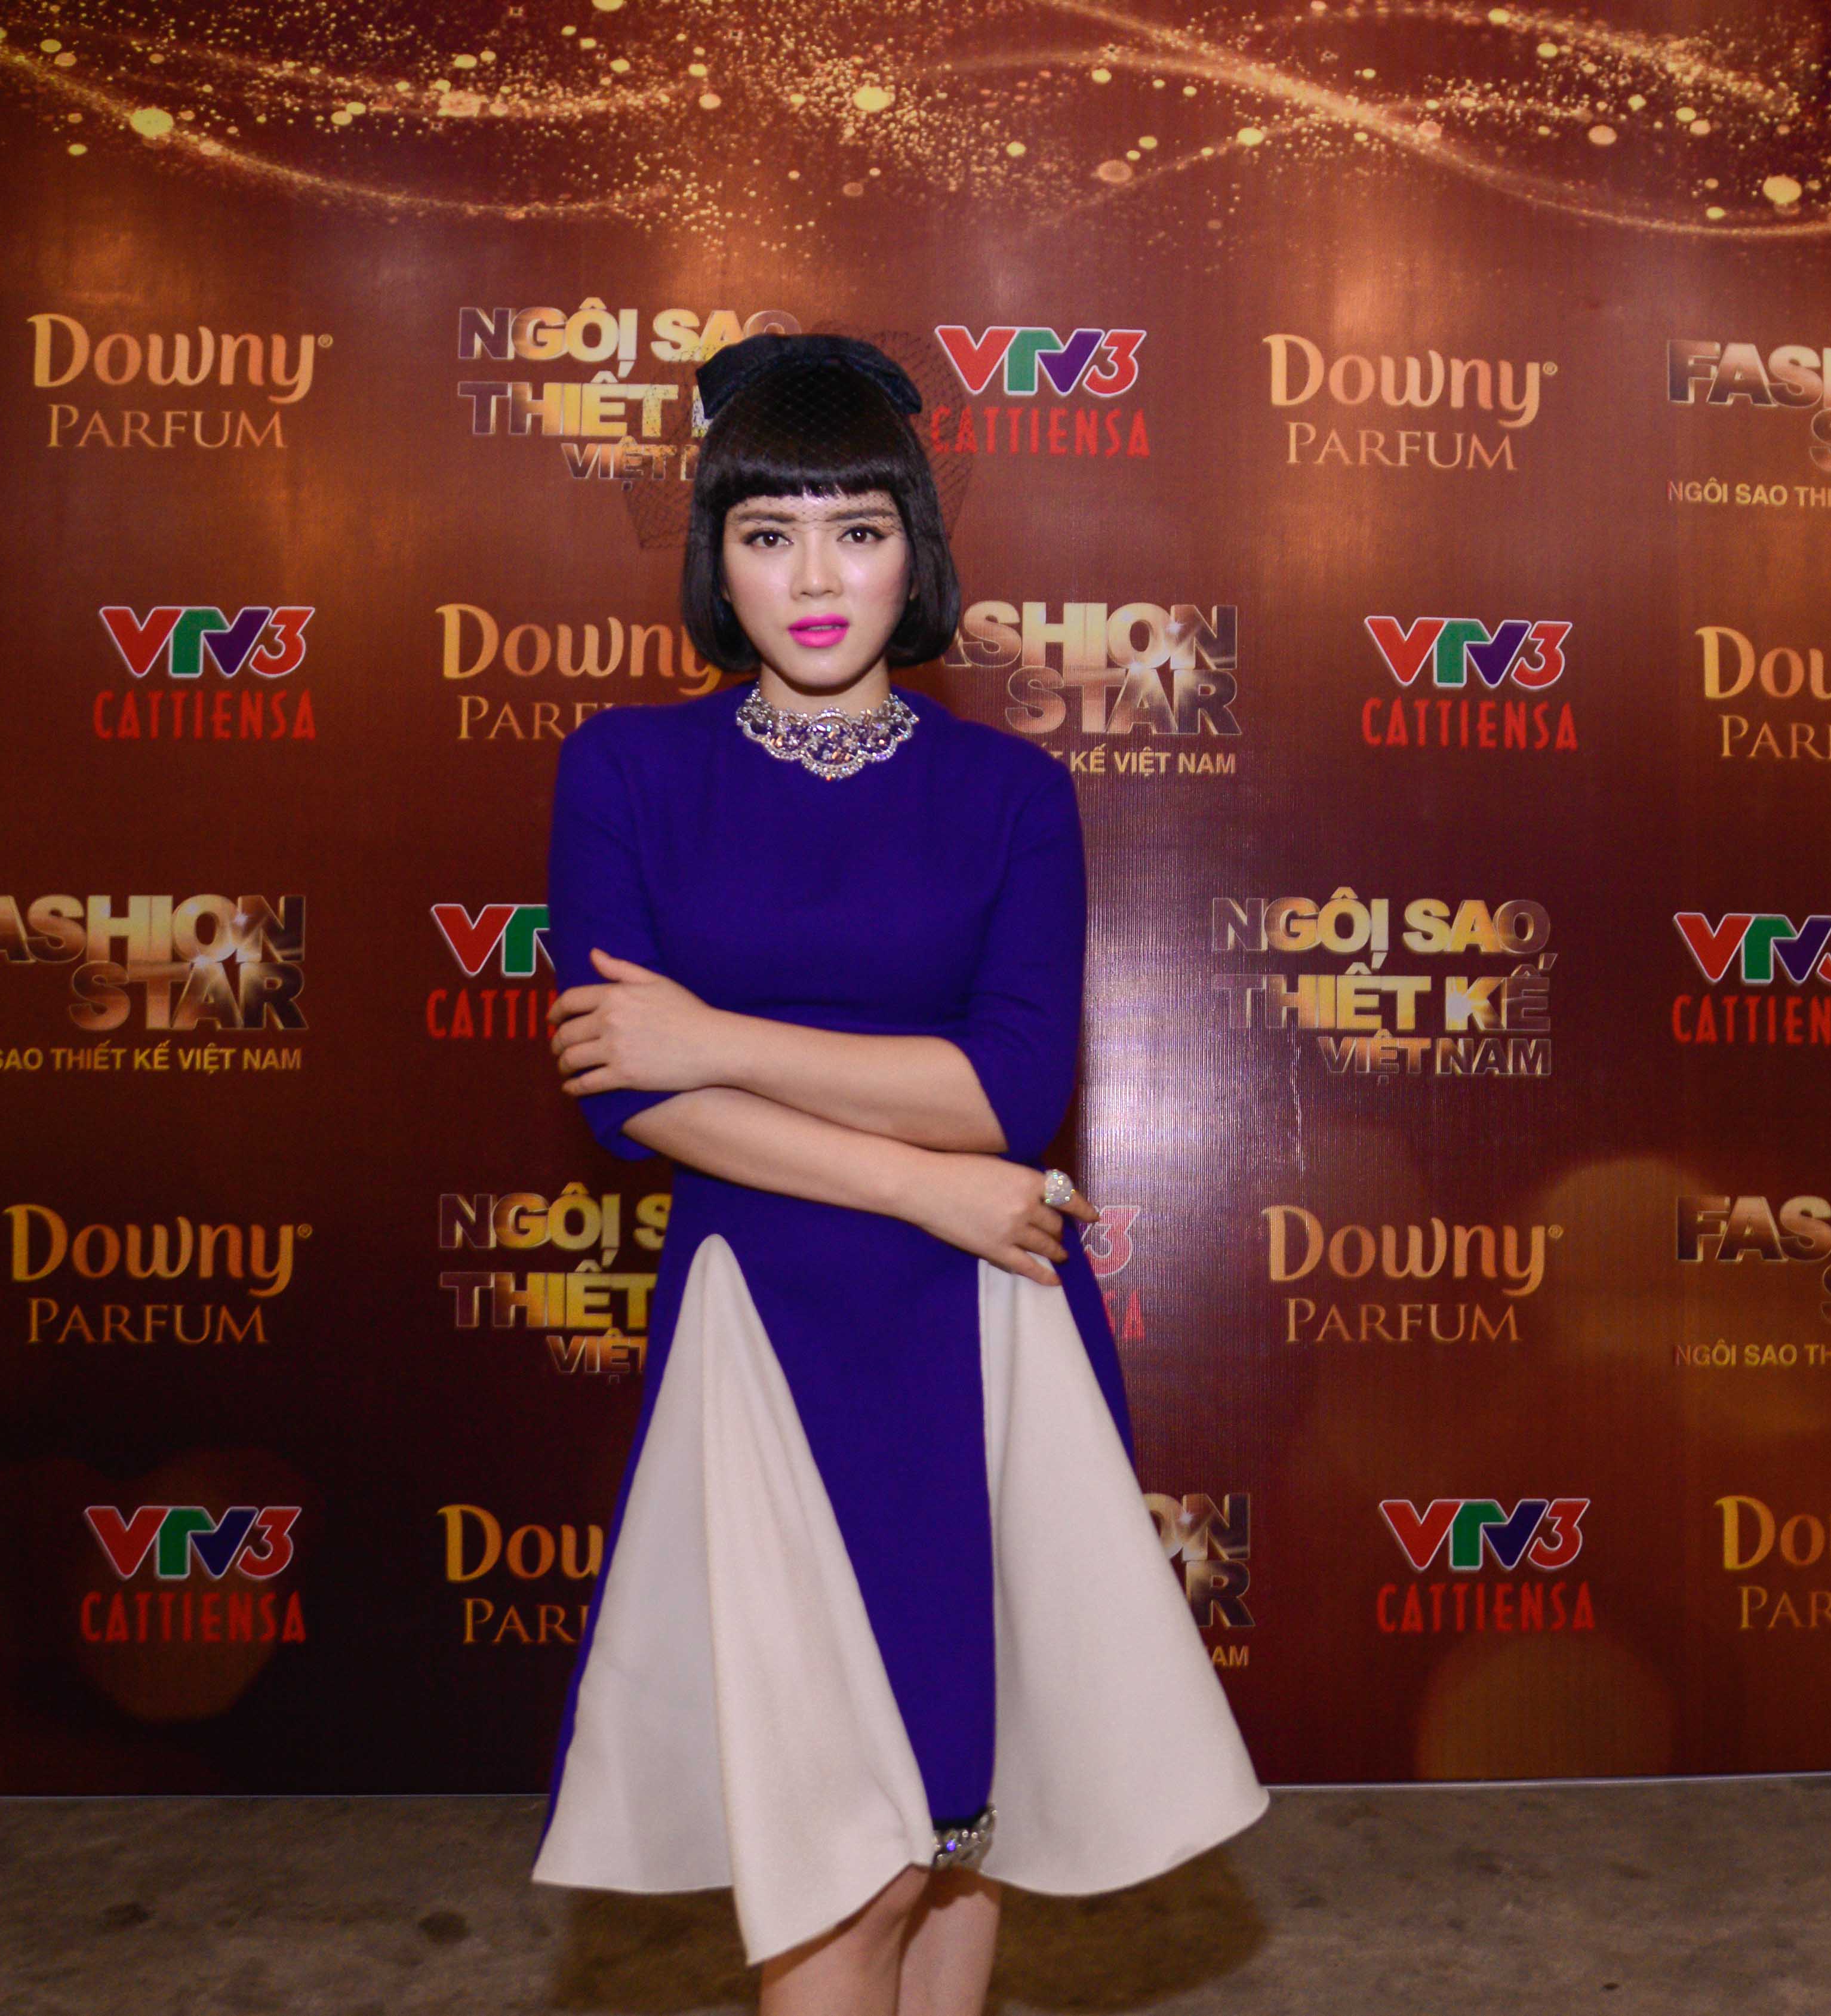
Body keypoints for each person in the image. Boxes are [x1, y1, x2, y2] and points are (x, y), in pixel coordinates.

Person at [527, 331, 1266, 2015]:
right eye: (767, 532)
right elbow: (630, 1104)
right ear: (714, 557)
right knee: (834, 1862)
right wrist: (923, 1180)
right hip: (770, 1330)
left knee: (955, 1831)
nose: (814, 578)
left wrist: (709, 1033)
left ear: (913, 549)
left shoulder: (1011, 791)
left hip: (978, 1327)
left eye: (856, 529)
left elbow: (1005, 1088)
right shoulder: (625, 769)